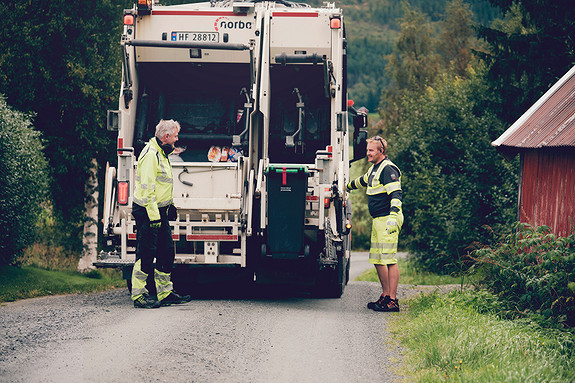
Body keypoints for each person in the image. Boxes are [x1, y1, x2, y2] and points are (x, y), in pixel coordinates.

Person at [131, 119, 192, 309]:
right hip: (149, 211)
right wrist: (154, 215)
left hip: (160, 211)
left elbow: (162, 184)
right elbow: (148, 188)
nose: (177, 139)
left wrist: (170, 205)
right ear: (166, 137)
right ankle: (139, 295)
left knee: (166, 253)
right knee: (146, 254)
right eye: (175, 136)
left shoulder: (161, 152)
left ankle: (165, 293)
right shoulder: (151, 155)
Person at [347, 136, 403, 312]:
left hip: (388, 218)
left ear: (381, 151)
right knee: (378, 259)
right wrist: (345, 187)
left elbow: (396, 193)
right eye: (367, 150)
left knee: (389, 259)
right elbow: (362, 181)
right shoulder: (374, 169)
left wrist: (393, 216)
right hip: (378, 220)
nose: (367, 153)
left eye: (371, 150)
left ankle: (393, 301)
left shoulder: (388, 169)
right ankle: (385, 296)